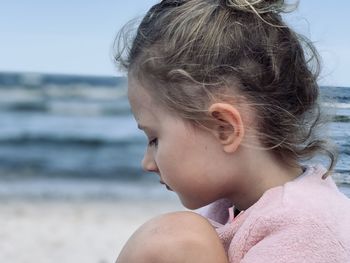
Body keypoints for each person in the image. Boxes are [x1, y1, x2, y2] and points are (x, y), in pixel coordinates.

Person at [114, 0, 350, 262]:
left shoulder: (309, 233)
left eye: (155, 139)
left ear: (224, 128)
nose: (147, 163)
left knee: (174, 239)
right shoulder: (231, 209)